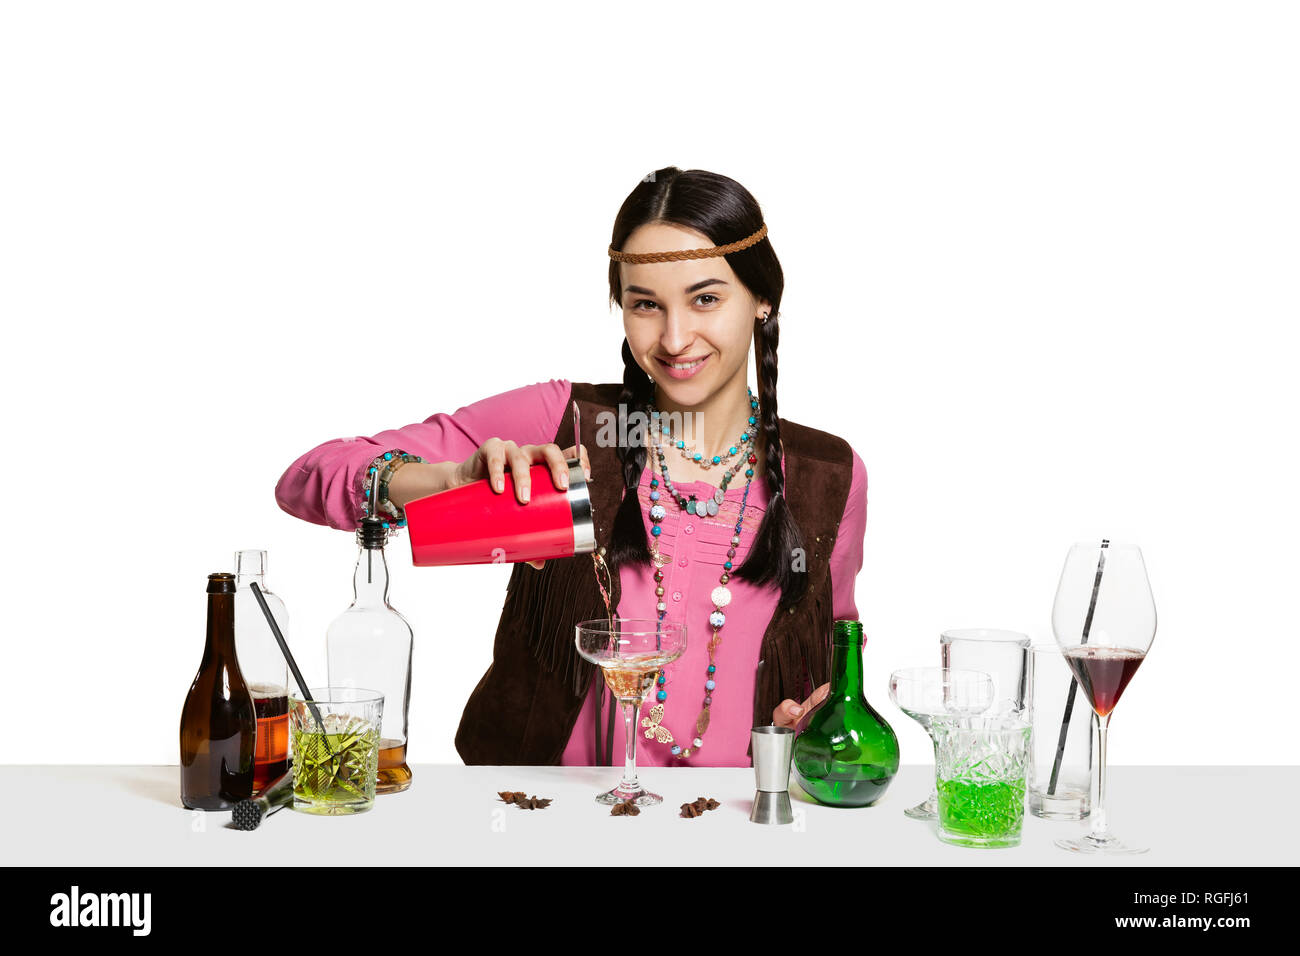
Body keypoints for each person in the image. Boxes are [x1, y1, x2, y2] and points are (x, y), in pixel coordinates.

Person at [275, 166, 867, 767]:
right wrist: (447, 482)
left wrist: (816, 715)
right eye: (645, 305)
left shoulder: (829, 474)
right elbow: (309, 475)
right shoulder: (563, 423)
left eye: (706, 298)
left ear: (763, 298)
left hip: (734, 827)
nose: (675, 336)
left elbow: (834, 651)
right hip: (538, 820)